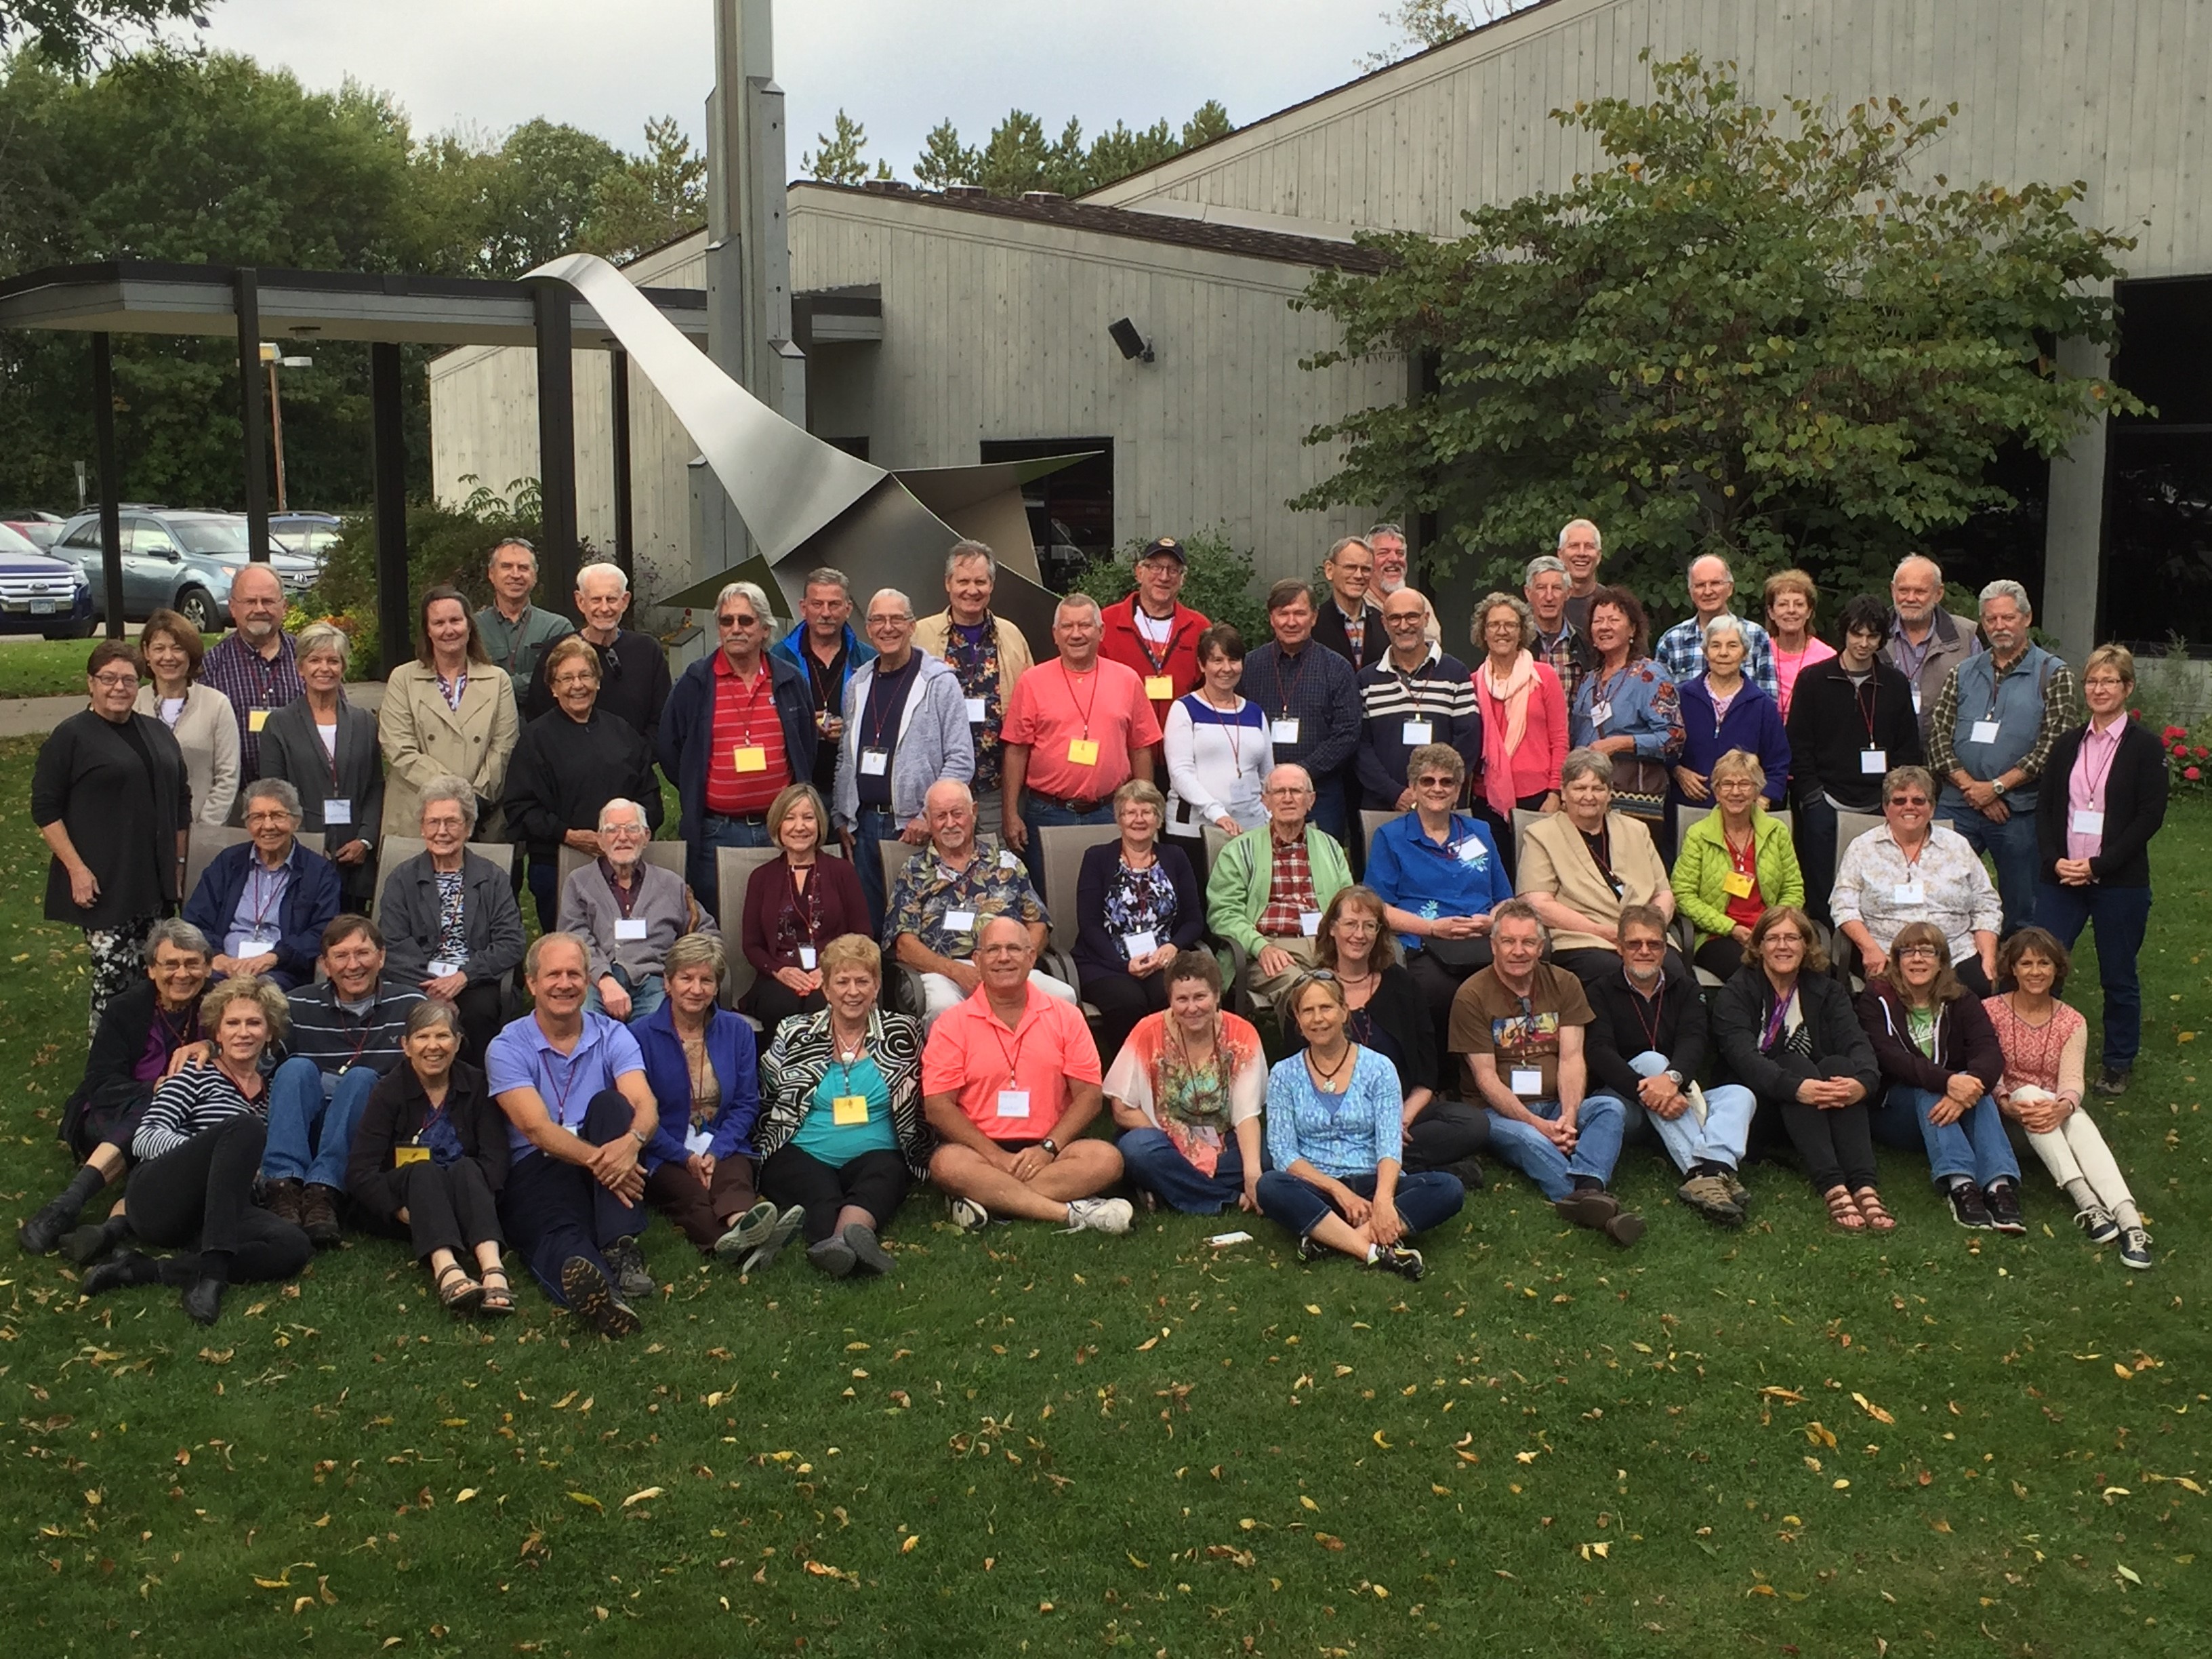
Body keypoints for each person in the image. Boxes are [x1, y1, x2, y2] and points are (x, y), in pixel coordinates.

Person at [79, 977, 312, 1324]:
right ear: (217, 1033)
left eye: (254, 1023)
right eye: (232, 1023)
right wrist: (218, 1152)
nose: (243, 1033)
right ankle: (212, 1275)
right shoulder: (195, 1074)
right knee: (244, 1128)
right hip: (162, 1198)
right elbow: (145, 1138)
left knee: (294, 1246)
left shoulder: (274, 1093)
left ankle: (146, 1270)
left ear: (270, 1033)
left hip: (220, 1209)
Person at [486, 933, 660, 1334]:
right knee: (558, 1231)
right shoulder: (507, 1046)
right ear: (532, 983)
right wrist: (608, 1163)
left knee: (612, 1105)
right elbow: (536, 1129)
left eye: (574, 974)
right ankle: (605, 1299)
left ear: (588, 982)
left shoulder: (613, 1034)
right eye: (553, 975)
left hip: (600, 1166)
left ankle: (620, 1247)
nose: (564, 984)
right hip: (538, 1166)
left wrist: (632, 1143)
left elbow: (645, 1104)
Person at [920, 915, 1131, 1233]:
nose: (1003, 957)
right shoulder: (951, 1024)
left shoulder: (1067, 1017)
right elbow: (938, 1106)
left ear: (1031, 957)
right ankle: (1071, 1213)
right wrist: (995, 1157)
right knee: (947, 1164)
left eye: (1014, 949)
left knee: (1106, 1159)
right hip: (979, 1150)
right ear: (977, 960)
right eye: (993, 950)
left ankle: (989, 1198)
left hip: (1052, 1148)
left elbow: (1088, 1097)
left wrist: (1048, 1149)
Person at [1448, 899, 1641, 1244]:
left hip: (1555, 1104)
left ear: (1541, 946)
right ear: (1493, 945)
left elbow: (1571, 1058)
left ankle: (1587, 1191)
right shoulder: (1471, 995)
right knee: (1530, 1139)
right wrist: (1539, 1125)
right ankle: (1591, 1198)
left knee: (1610, 1108)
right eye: (1508, 941)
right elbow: (1486, 1079)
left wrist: (1568, 1117)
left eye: (1528, 942)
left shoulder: (1565, 983)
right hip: (1497, 1112)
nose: (1518, 951)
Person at [18, 920, 211, 1258]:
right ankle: (70, 1203)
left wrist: (211, 1045)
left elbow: (261, 1042)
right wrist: (153, 1089)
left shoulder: (219, 1005)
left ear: (208, 967)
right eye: (170, 964)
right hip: (115, 1114)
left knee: (172, 1149)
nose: (182, 974)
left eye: (192, 963)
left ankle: (109, 1229)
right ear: (151, 970)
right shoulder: (126, 1009)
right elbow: (100, 1082)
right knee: (153, 1108)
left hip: (188, 1118)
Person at [1284, 884, 1492, 1185]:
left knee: (1472, 1124)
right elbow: (1296, 1076)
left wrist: (1398, 1121)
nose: (1359, 934)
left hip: (1399, 1112)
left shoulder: (1403, 986)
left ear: (1379, 933)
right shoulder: (1311, 990)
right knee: (1272, 1150)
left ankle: (1357, 1163)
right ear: (1331, 928)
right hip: (1331, 1120)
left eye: (1369, 926)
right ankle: (1410, 1168)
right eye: (1351, 924)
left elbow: (1427, 1075)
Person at [34, 639, 191, 1033]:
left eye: (128, 679)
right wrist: (76, 870)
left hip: (155, 882)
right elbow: (46, 809)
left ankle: (151, 1050)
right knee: (114, 980)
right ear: (91, 682)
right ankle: (106, 1058)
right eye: (108, 678)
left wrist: (179, 865)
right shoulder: (71, 737)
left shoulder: (156, 731)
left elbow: (181, 801)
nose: (119, 687)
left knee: (156, 974)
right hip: (105, 883)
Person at [1258, 972, 1462, 1276]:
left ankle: (1329, 1239)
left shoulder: (1378, 1068)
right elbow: (1284, 1152)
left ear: (1344, 1012)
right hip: (1318, 1187)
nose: (1318, 1019)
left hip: (1373, 1180)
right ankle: (1370, 1249)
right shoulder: (1283, 1074)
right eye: (1308, 1011)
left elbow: (1389, 1142)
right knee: (1270, 1185)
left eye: (1326, 1008)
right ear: (1298, 1021)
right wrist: (1340, 1192)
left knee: (1447, 1188)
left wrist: (1383, 1200)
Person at [2035, 644, 2167, 1096]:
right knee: (2042, 968)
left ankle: (2117, 1062)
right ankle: (2038, 1054)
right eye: (2092, 681)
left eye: (2109, 681)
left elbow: (2149, 817)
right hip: (2062, 878)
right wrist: (2054, 859)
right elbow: (2046, 808)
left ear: (2127, 687)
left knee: (2118, 974)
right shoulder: (2067, 744)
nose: (2099, 689)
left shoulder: (2145, 748)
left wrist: (2098, 865)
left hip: (2118, 881)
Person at [757, 934, 930, 1275]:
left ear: (876, 986)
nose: (853, 991)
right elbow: (768, 1093)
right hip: (803, 1150)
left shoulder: (903, 1033)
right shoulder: (795, 1032)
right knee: (819, 1192)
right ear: (826, 988)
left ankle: (839, 1243)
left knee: (884, 1176)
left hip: (876, 1151)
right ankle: (849, 1246)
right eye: (842, 981)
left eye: (863, 981)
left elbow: (924, 1096)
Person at [1711, 906, 1887, 1231]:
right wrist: (1796, 1088)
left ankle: (1864, 1185)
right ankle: (1832, 1184)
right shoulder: (1737, 992)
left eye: (1792, 938)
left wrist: (1862, 1083)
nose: (1783, 946)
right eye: (1773, 938)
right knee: (1794, 1063)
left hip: (1817, 1106)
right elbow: (1743, 1059)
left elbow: (1857, 1043)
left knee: (1840, 1066)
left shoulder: (1828, 990)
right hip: (1759, 1105)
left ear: (1806, 945)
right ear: (1758, 946)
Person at [1986, 928, 2153, 1269]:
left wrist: (2063, 1108)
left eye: (2044, 963)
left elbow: (2073, 1081)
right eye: (2026, 963)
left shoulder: (2072, 1021)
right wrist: (2005, 1102)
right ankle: (2087, 1202)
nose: (2035, 972)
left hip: (2052, 1119)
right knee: (2029, 1094)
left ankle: (2129, 1222)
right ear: (2012, 969)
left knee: (2077, 1118)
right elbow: (1987, 1070)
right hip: (2006, 1120)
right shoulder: (1989, 1012)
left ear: (2056, 968)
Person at [1583, 906, 1758, 1225]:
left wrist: (1672, 1079)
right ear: (1619, 948)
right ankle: (1701, 1174)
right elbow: (1599, 1051)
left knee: (1739, 1095)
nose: (1644, 951)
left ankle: (1716, 1167)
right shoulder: (1599, 990)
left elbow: (1694, 1039)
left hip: (1677, 1098)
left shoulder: (1686, 988)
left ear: (1665, 949)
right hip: (1626, 1105)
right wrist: (1648, 1089)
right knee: (1652, 1061)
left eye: (1654, 944)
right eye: (1634, 944)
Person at [1925, 579, 2078, 935]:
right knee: (1939, 891)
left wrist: (1996, 788)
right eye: (1991, 619)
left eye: (2008, 618)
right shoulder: (1963, 672)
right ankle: (1951, 960)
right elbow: (1938, 740)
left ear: (2027, 618)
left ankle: (2019, 965)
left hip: (2019, 809)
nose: (2000, 626)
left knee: (2023, 905)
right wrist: (1974, 789)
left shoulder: (2053, 674)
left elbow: (2054, 748)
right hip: (1958, 804)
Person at [262, 914, 424, 1245]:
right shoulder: (296, 1004)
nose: (353, 965)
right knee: (294, 1069)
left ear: (382, 956)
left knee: (362, 1078)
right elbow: (255, 1056)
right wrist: (208, 1046)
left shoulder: (410, 1006)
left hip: (367, 1133)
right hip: (305, 1126)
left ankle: (325, 1191)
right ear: (325, 964)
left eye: (363, 953)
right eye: (341, 956)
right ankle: (283, 1188)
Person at [346, 998, 514, 1314]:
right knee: (424, 1170)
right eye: (422, 1037)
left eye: (442, 1036)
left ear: (458, 1043)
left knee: (468, 1167)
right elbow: (360, 1172)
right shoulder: (388, 1091)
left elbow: (496, 1158)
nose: (433, 1046)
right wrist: (405, 1213)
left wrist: (470, 1203)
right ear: (406, 1046)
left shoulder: (477, 1084)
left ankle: (492, 1267)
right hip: (410, 1200)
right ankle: (446, 1268)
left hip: (468, 1195)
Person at [659, 579, 817, 914]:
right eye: (726, 620)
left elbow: (806, 746)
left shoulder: (789, 680)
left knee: (782, 916)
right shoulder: (695, 682)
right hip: (717, 831)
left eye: (745, 620)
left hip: (781, 828)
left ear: (764, 628)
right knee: (718, 919)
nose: (735, 629)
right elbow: (671, 749)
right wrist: (698, 786)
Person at [1857, 920, 2024, 1232]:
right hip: (1895, 1111)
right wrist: (1949, 1083)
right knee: (1931, 1089)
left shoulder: (1961, 999)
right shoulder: (1877, 998)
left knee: (1977, 1088)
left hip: (1954, 1106)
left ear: (1942, 961)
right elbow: (1888, 1057)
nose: (1917, 959)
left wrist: (1969, 1085)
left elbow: (1989, 1051)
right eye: (1908, 952)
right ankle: (1961, 1185)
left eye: (1927, 952)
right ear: (1896, 959)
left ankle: (1998, 1186)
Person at [629, 933, 785, 1264]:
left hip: (722, 1140)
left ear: (716, 987)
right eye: (686, 978)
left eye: (706, 980)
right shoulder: (639, 1035)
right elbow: (640, 1113)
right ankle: (738, 1243)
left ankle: (740, 1222)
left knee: (733, 1178)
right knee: (691, 1194)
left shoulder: (738, 1031)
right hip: (665, 1148)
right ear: (667, 983)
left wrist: (716, 1151)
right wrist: (684, 1157)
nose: (696, 989)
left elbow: (746, 1102)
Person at [1364, 744, 1511, 1080]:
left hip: (1481, 940)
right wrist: (1432, 928)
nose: (1437, 789)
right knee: (1437, 991)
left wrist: (1493, 921)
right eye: (1427, 781)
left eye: (1447, 782)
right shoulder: (1391, 837)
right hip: (1423, 941)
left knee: (1513, 979)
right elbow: (1377, 907)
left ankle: (1497, 1078)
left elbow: (1505, 897)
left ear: (1458, 790)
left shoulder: (1480, 832)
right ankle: (1442, 1080)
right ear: (1413, 788)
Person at [832, 587, 972, 934]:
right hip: (863, 827)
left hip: (914, 828)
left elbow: (960, 759)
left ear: (912, 626)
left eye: (897, 619)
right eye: (878, 620)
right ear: (868, 629)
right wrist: (841, 814)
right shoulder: (858, 683)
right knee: (869, 926)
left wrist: (928, 816)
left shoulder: (940, 682)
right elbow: (845, 756)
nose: (887, 627)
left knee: (917, 926)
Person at [1000, 592, 1161, 890]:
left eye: (1085, 626)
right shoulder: (1032, 681)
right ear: (1055, 634)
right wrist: (1010, 813)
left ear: (1101, 631)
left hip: (1110, 811)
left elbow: (1140, 747)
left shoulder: (1127, 680)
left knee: (1111, 894)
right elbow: (1016, 750)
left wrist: (1143, 806)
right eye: (1067, 626)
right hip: (1048, 813)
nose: (1076, 634)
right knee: (1049, 896)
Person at [502, 634, 661, 930]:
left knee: (626, 942)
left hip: (624, 863)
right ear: (553, 688)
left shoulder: (622, 732)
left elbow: (650, 796)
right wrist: (568, 835)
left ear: (598, 682)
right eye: (567, 678)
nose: (578, 685)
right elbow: (520, 808)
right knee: (569, 947)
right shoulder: (535, 740)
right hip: (557, 864)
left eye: (586, 675)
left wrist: (627, 834)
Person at [886, 779, 1075, 1025]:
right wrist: (956, 971)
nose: (950, 824)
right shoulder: (914, 870)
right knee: (945, 1008)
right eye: (941, 816)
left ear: (973, 812)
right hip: (943, 973)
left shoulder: (1006, 863)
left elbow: (1038, 924)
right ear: (928, 820)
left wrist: (1017, 963)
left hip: (1008, 965)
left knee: (1063, 997)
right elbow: (904, 944)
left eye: (957, 814)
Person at [1785, 594, 1923, 923]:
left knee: (1876, 880)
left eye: (1872, 636)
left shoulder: (1894, 684)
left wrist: (1895, 797)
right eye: (1856, 634)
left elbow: (1907, 747)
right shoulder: (1814, 680)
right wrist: (1812, 796)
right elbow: (1798, 743)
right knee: (1821, 885)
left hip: (1880, 801)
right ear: (1844, 632)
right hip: (1825, 800)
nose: (1863, 643)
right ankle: (1824, 935)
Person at [1103, 949, 1267, 1214]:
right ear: (1170, 1000)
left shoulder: (1242, 1034)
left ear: (1217, 996)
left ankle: (1168, 1188)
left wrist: (1252, 1174)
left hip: (1222, 1136)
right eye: (1182, 999)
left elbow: (1247, 1115)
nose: (1192, 1008)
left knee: (1267, 1155)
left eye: (1200, 997)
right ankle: (1227, 1197)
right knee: (1138, 1150)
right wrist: (1181, 1143)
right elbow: (1122, 1110)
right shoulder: (1147, 1031)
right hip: (1162, 1135)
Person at [377, 780, 527, 1064]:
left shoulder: (492, 878)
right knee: (407, 1007)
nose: (442, 831)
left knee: (479, 1011)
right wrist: (434, 988)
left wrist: (463, 977)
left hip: (473, 980)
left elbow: (511, 941)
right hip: (416, 980)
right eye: (433, 822)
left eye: (452, 822)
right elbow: (392, 943)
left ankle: (474, 1085)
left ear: (468, 828)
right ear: (422, 828)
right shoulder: (402, 879)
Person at [1832, 764, 2001, 995]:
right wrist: (1869, 948)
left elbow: (1986, 904)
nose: (1909, 807)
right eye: (1899, 801)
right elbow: (1843, 905)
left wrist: (1988, 957)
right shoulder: (1862, 848)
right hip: (1887, 953)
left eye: (1919, 801)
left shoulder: (1957, 845)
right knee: (1884, 998)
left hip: (1954, 953)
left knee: (1979, 989)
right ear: (1886, 808)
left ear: (1932, 808)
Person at [1515, 748, 1675, 986]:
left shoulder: (1637, 830)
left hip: (1644, 937)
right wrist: (1602, 931)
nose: (1588, 796)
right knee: (1612, 975)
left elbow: (1664, 894)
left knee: (1674, 972)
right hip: (1584, 938)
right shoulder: (1541, 835)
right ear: (1564, 791)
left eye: (1598, 788)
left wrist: (1648, 931)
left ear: (1610, 793)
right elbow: (1538, 903)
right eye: (1580, 788)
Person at [1205, 764, 1354, 1012]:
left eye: (1295, 791)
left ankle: (1357, 1039)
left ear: (1311, 800)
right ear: (1266, 801)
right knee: (1306, 992)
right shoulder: (1238, 850)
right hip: (1270, 948)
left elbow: (1347, 904)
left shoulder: (1330, 847)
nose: (1287, 798)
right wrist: (1260, 946)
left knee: (1366, 982)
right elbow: (1223, 913)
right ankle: (1307, 1040)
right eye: (1279, 792)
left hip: (1327, 947)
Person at [378, 583, 521, 844]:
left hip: (480, 814)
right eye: (438, 623)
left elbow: (504, 747)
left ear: (469, 625)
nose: (449, 630)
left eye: (456, 620)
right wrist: (453, 796)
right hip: (416, 814)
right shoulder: (402, 679)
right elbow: (398, 747)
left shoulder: (497, 680)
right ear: (427, 630)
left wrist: (472, 802)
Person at [1073, 780, 1205, 1061]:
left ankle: (1174, 1067)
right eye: (1131, 813)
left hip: (1162, 958)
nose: (1139, 820)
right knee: (1127, 1001)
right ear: (1119, 819)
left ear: (1158, 818)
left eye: (1147, 812)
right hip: (1105, 961)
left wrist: (1173, 947)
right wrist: (1124, 964)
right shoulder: (1096, 858)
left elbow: (1194, 919)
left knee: (1168, 995)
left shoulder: (1176, 856)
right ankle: (1131, 1071)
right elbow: (1089, 924)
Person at [558, 797, 715, 1021]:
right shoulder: (579, 882)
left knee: (658, 1026)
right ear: (600, 840)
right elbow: (574, 938)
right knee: (586, 1022)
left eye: (632, 829)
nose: (622, 837)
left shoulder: (671, 884)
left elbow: (707, 934)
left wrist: (680, 972)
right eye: (612, 830)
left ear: (646, 836)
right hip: (595, 979)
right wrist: (604, 979)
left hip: (656, 981)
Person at [259, 621, 381, 909]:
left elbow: (376, 786)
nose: (324, 668)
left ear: (343, 667)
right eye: (315, 660)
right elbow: (274, 793)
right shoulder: (279, 724)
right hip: (300, 853)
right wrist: (305, 844)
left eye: (333, 661)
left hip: (355, 856)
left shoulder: (364, 721)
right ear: (300, 668)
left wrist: (365, 840)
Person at [914, 539, 1034, 823]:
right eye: (963, 581)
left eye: (980, 581)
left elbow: (1030, 710)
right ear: (948, 583)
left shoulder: (1012, 636)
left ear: (991, 585)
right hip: (936, 789)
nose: (972, 590)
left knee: (995, 852)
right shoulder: (919, 635)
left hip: (996, 790)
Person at [181, 778, 342, 991]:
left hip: (281, 972)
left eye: (277, 815)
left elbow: (324, 931)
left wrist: (275, 957)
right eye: (257, 817)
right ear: (248, 824)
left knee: (259, 994)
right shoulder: (227, 863)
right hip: (223, 968)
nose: (268, 826)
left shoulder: (319, 872)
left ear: (296, 821)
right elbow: (195, 921)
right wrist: (217, 957)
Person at [741, 783, 870, 1039]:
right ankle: (780, 1066)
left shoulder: (843, 872)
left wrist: (830, 970)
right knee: (780, 1005)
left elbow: (862, 933)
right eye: (790, 818)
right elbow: (752, 944)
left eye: (808, 818)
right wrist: (780, 971)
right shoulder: (761, 877)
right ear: (778, 824)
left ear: (819, 824)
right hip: (778, 976)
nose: (799, 827)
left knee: (823, 1005)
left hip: (834, 973)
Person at [1240, 578, 1362, 842]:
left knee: (1321, 859)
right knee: (1264, 858)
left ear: (1314, 617)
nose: (1291, 622)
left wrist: (1301, 772)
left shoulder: (1337, 668)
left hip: (1320, 792)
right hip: (1263, 792)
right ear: (1272, 618)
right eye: (1283, 613)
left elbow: (1348, 732)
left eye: (1299, 613)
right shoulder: (1250, 666)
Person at [1671, 749, 1805, 981]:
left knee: (1815, 969)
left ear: (1757, 791)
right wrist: (1730, 927)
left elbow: (1793, 888)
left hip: (1772, 932)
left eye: (1744, 784)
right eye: (1727, 784)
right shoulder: (1698, 834)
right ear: (1717, 792)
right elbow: (1683, 894)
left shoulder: (1777, 831)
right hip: (1718, 936)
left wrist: (1773, 928)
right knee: (1754, 972)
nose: (1735, 792)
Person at [520, 560, 672, 752]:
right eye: (596, 600)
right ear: (580, 602)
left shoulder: (647, 651)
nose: (604, 608)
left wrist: (636, 757)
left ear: (625, 601)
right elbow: (538, 715)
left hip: (635, 763)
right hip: (569, 761)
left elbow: (662, 718)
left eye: (611, 599)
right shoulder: (557, 651)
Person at [1355, 588, 1482, 811]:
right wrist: (1394, 793)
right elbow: (1360, 747)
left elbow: (1469, 739)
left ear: (1426, 619)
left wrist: (1436, 790)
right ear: (1384, 623)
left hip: (1443, 806)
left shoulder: (1455, 673)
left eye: (1412, 616)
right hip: (1384, 806)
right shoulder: (1366, 680)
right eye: (1395, 618)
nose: (1404, 626)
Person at [1568, 585, 1681, 828]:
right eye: (1598, 621)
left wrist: (1620, 743)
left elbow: (1673, 738)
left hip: (1634, 799)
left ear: (1632, 629)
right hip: (1587, 797)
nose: (1604, 627)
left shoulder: (1650, 676)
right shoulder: (1589, 680)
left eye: (1613, 620)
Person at [1162, 623, 1273, 853]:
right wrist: (1216, 813)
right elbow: (1180, 772)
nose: (1227, 668)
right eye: (1217, 660)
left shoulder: (1255, 713)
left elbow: (1267, 775)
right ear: (1202, 665)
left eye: (1234, 660)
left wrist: (1267, 815)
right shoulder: (1185, 709)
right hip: (1195, 830)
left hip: (1251, 829)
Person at [1671, 615, 1791, 827]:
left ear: (1744, 653)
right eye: (1716, 645)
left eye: (1732, 646)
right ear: (1706, 652)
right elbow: (1662, 750)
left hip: (1743, 817)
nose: (1723, 653)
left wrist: (1763, 800)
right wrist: (1677, 771)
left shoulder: (1762, 705)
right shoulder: (1681, 698)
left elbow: (1778, 763)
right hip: (1689, 810)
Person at [771, 565, 876, 800]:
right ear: (803, 608)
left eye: (834, 604)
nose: (826, 613)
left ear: (848, 609)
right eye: (817, 604)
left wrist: (849, 730)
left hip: (854, 788)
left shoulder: (869, 660)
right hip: (795, 786)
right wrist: (806, 727)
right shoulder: (779, 658)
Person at [133, 606, 239, 827]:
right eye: (159, 648)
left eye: (177, 649)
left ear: (190, 653)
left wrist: (204, 828)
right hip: (141, 831)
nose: (168, 657)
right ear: (146, 652)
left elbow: (227, 776)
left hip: (200, 831)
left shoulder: (217, 704)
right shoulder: (134, 704)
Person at [197, 562, 304, 780]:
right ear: (232, 607)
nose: (259, 609)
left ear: (284, 606)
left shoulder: (308, 660)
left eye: (268, 601)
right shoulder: (210, 667)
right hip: (236, 793)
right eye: (250, 602)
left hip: (300, 792)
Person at [1472, 592, 1569, 823]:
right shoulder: (1473, 682)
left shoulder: (1544, 677)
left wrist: (1555, 792)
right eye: (1494, 625)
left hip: (1539, 796)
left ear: (1522, 631)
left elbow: (1560, 739)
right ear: (1484, 632)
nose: (1502, 631)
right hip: (1486, 795)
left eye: (1510, 625)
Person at [1098, 536, 1210, 725]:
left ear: (1182, 579)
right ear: (1139, 573)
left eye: (1173, 570)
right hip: (1123, 737)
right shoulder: (1107, 622)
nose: (1164, 577)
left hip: (1182, 738)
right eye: (1156, 567)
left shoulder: (1200, 628)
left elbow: (1211, 689)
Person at [1884, 553, 1981, 737]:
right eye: (1903, 591)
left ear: (1939, 593)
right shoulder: (1873, 634)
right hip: (1887, 748)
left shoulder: (1966, 636)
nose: (1910, 598)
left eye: (1920, 592)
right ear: (1892, 590)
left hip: (1946, 748)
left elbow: (1979, 700)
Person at [1654, 556, 1778, 697]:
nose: (1708, 591)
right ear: (1691, 592)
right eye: (1700, 585)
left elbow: (1769, 699)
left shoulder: (1756, 636)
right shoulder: (1671, 641)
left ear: (1730, 588)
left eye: (1715, 583)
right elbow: (1660, 703)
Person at [474, 537, 574, 706]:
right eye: (506, 566)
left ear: (534, 576)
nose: (515, 575)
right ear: (491, 574)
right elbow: (466, 681)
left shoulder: (558, 627)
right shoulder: (472, 627)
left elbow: (560, 679)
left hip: (541, 720)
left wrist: (495, 687)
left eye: (523, 568)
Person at [1763, 569, 1836, 721]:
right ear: (1771, 612)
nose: (1791, 611)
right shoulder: (1760, 653)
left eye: (1799, 604)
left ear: (1809, 611)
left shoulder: (1828, 657)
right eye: (1783, 604)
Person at [1525, 554, 1596, 701]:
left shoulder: (1584, 642)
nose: (1549, 597)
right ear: (1528, 593)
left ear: (1568, 593)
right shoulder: (1518, 642)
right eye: (1541, 588)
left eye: (1557, 588)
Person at [1311, 535, 1385, 670]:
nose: (1358, 576)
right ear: (1329, 570)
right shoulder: (1313, 624)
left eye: (1366, 569)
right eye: (1350, 567)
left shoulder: (1383, 623)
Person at [1557, 518, 1605, 636]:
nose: (1582, 553)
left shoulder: (1613, 605)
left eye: (1589, 546)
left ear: (1599, 556)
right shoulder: (1544, 606)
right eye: (1574, 546)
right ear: (1560, 555)